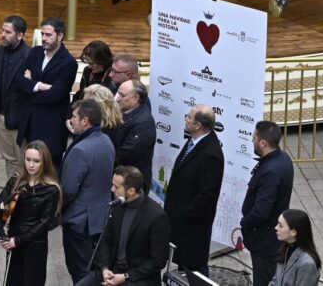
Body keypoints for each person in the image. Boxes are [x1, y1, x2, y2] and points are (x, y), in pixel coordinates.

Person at [74, 166, 170, 286]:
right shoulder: (118, 205)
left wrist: (126, 276)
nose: (112, 189)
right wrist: (104, 268)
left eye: (116, 186)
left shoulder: (156, 216)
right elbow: (106, 241)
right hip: (112, 269)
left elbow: (158, 261)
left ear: (131, 191)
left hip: (138, 276)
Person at [163, 105, 224, 275]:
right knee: (185, 266)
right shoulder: (195, 140)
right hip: (181, 222)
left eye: (189, 117)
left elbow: (207, 195)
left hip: (192, 227)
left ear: (198, 125)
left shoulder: (211, 154)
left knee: (194, 269)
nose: (186, 119)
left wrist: (185, 216)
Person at [0, 140, 62, 286]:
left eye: (36, 161)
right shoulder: (17, 180)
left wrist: (17, 241)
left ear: (44, 163)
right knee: (13, 280)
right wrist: (2, 235)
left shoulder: (51, 189)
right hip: (14, 240)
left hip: (35, 245)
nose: (31, 165)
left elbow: (44, 223)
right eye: (28, 159)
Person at [60, 99, 116, 283]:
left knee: (79, 272)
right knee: (92, 270)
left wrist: (56, 210)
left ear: (85, 121)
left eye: (74, 117)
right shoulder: (106, 141)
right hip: (99, 218)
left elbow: (68, 190)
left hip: (79, 221)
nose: (71, 120)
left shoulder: (80, 150)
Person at [16, 17, 78, 169]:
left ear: (60, 36)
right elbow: (19, 81)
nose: (43, 38)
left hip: (51, 128)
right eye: (42, 34)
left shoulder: (68, 62)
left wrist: (31, 86)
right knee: (29, 168)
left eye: (48, 35)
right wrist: (40, 85)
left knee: (49, 172)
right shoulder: (36, 52)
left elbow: (54, 96)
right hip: (30, 124)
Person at [242, 120, 295, 286]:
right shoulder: (283, 158)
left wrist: (245, 223)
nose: (252, 141)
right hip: (271, 239)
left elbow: (261, 210)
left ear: (263, 143)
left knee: (263, 280)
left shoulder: (270, 171)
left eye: (254, 138)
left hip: (265, 242)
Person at [0, 15, 32, 178]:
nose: (3, 35)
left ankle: (23, 194)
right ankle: (11, 192)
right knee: (9, 159)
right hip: (1, 115)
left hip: (20, 118)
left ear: (19, 35)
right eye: (2, 31)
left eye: (8, 32)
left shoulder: (30, 55)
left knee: (24, 160)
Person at [113, 79, 156, 193]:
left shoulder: (143, 123)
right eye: (118, 93)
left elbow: (125, 154)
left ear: (135, 98)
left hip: (131, 186)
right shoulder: (125, 112)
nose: (117, 98)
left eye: (122, 95)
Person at [270, 209, 321, 286]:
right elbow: (275, 281)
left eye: (280, 226)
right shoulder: (286, 249)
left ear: (293, 232)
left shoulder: (307, 264)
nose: (276, 228)